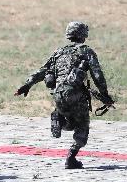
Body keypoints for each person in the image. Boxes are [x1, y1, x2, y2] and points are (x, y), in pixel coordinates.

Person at [14, 21, 114, 169]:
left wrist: (27, 85)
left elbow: (42, 71)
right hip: (76, 96)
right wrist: (105, 96)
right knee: (82, 128)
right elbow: (97, 75)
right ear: (83, 35)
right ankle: (71, 158)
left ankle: (60, 120)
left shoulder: (58, 52)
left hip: (58, 95)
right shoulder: (86, 51)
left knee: (70, 123)